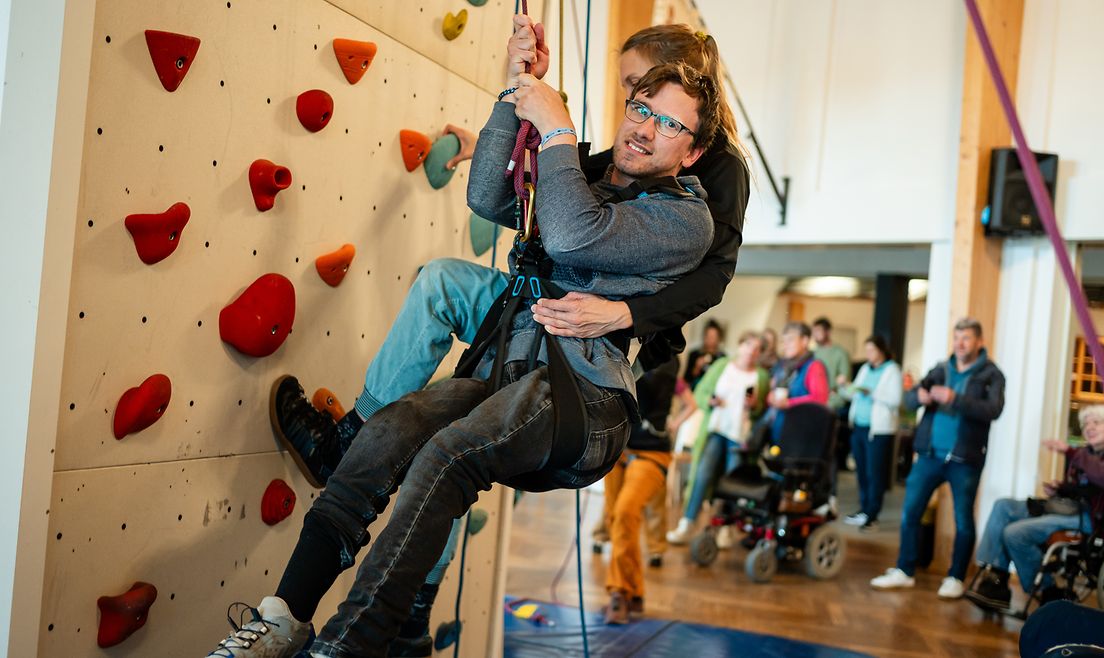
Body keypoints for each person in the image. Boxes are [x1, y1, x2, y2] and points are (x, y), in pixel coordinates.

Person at [202, 54, 720, 658]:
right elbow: (487, 195)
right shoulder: (591, 176)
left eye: (668, 124)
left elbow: (573, 234)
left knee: (447, 456)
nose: (644, 127)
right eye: (640, 109)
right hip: (514, 365)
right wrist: (515, 87)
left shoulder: (684, 218)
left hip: (583, 397)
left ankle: (349, 645)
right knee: (389, 432)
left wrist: (555, 132)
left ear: (691, 153)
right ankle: (284, 615)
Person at [870, 317, 1005, 599]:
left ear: (978, 342)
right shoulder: (940, 369)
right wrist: (918, 396)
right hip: (930, 454)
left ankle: (956, 577)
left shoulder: (991, 375)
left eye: (966, 338)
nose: (959, 343)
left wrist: (955, 398)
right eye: (957, 338)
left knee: (963, 519)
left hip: (964, 459)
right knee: (910, 513)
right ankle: (904, 571)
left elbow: (993, 410)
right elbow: (908, 400)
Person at [965, 404, 1104, 610]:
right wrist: (1061, 489)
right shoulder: (1088, 454)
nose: (1088, 428)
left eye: (1096, 423)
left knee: (1016, 532)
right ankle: (997, 576)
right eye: (1085, 424)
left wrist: (1070, 451)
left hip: (1098, 520)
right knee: (1003, 505)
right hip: (1071, 509)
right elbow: (1083, 487)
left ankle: (1047, 590)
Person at [666, 332, 769, 546]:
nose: (751, 351)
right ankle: (687, 522)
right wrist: (711, 401)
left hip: (739, 436)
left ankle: (726, 527)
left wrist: (754, 406)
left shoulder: (761, 376)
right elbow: (701, 393)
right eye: (749, 344)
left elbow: (761, 411)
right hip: (716, 429)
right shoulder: (723, 365)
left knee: (733, 482)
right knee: (702, 474)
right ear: (740, 345)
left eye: (757, 348)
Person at [601, 357, 682, 625]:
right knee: (617, 520)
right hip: (619, 446)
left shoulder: (666, 356)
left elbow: (641, 385)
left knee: (625, 511)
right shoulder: (624, 342)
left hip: (651, 451)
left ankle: (619, 592)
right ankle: (634, 591)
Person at [841, 335, 902, 532]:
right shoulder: (866, 368)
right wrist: (844, 387)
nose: (868, 354)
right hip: (859, 426)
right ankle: (864, 509)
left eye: (871, 350)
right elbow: (853, 393)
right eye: (866, 350)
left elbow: (895, 399)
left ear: (881, 350)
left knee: (874, 472)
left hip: (878, 431)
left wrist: (871, 392)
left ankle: (873, 514)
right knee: (861, 471)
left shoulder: (892, 370)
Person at [766, 322, 830, 442]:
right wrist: (771, 397)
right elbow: (773, 389)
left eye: (790, 340)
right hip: (780, 429)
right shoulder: (783, 366)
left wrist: (789, 403)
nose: (785, 345)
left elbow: (820, 400)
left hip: (801, 434)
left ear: (805, 341)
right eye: (783, 341)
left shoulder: (814, 366)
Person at [812, 317, 851, 414]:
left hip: (832, 403)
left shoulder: (840, 353)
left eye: (818, 331)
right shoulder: (812, 353)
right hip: (814, 400)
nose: (815, 334)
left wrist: (833, 396)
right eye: (814, 331)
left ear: (828, 332)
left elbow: (845, 382)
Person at [684, 319, 726, 389]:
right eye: (708, 336)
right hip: (694, 391)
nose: (710, 339)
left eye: (713, 337)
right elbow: (686, 379)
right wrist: (697, 367)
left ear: (719, 339)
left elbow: (724, 381)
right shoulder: (694, 354)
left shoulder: (722, 358)